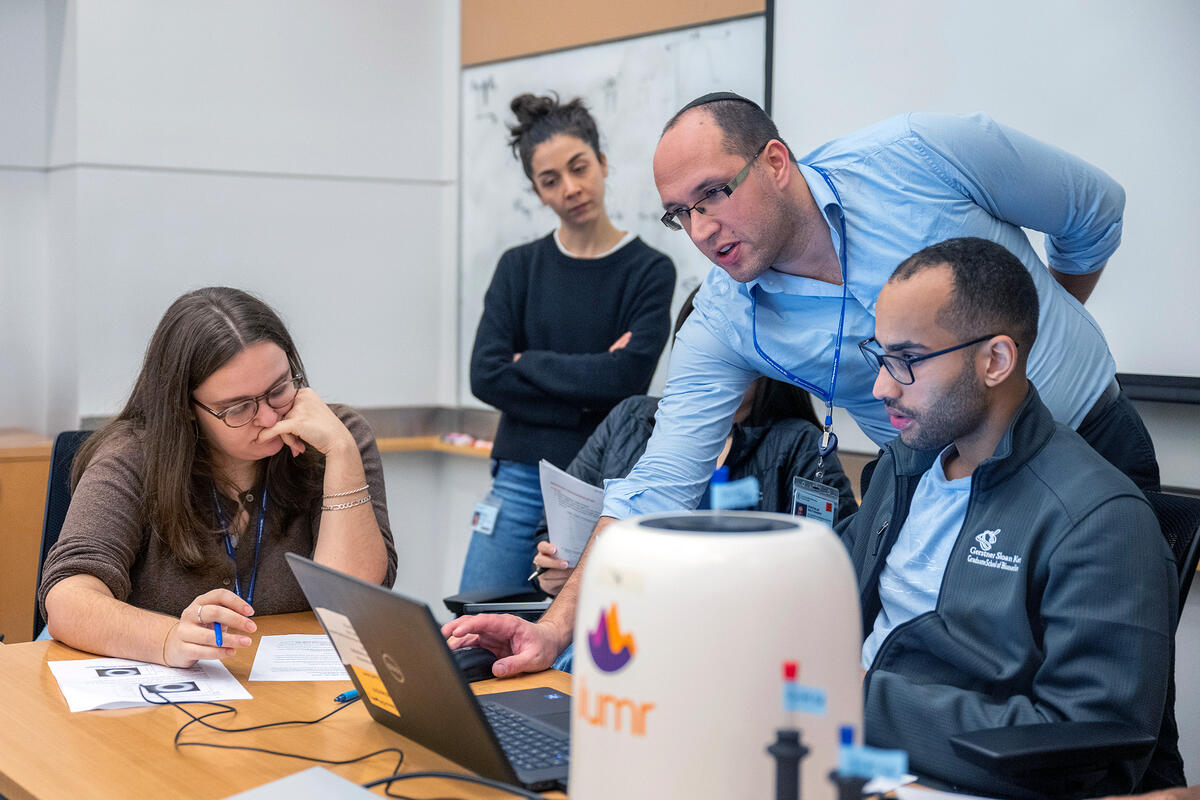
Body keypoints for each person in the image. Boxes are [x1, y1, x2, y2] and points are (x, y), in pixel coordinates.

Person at [444, 93, 1161, 676]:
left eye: (714, 194)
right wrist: (556, 629)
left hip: (1088, 446)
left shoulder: (920, 155)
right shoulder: (726, 313)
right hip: (937, 492)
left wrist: (1016, 345)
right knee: (957, 699)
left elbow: (1094, 212)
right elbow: (655, 486)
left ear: (777, 163)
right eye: (680, 213)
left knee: (1109, 713)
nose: (699, 229)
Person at [839, 238, 1179, 796]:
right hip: (847, 747)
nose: (881, 388)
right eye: (880, 357)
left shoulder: (1096, 518)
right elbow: (830, 593)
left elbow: (1087, 752)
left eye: (907, 361)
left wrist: (858, 699)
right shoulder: (905, 469)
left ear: (995, 360)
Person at [39, 287, 397, 667]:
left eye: (278, 389)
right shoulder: (132, 456)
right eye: (238, 407)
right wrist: (168, 639)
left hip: (300, 696)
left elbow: (349, 603)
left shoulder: (336, 437)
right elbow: (68, 598)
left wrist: (341, 455)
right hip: (164, 705)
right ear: (186, 407)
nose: (269, 418)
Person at [460, 92, 675, 594]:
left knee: (577, 635)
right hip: (517, 477)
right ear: (537, 192)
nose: (571, 188)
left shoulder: (648, 271)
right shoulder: (519, 267)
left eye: (580, 168)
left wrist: (527, 362)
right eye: (550, 180)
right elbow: (485, 375)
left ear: (602, 162)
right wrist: (587, 389)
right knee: (470, 620)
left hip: (602, 485)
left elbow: (625, 381)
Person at [531, 288, 857, 599]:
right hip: (621, 614)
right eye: (702, 353)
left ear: (768, 360)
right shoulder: (631, 418)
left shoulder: (798, 442)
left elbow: (837, 559)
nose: (714, 365)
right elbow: (557, 530)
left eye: (729, 352)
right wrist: (553, 571)